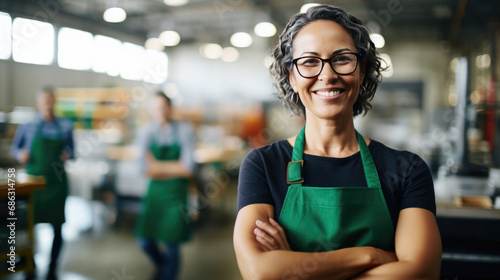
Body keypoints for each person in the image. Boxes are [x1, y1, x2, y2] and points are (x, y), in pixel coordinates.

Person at [233, 5, 442, 279]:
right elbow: (259, 271)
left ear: (361, 70)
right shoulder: (263, 165)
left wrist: (298, 266)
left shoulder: (407, 169)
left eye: (342, 59)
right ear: (292, 77)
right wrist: (371, 256)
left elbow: (421, 273)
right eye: (309, 61)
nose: (327, 74)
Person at [11, 86, 74, 280]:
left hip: (57, 184)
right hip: (33, 185)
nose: (48, 103)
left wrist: (68, 154)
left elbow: (73, 151)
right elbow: (16, 148)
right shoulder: (27, 126)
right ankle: (30, 267)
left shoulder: (65, 126)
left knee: (57, 227)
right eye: (44, 99)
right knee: (29, 226)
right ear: (38, 102)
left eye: (51, 99)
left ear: (55, 102)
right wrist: (20, 154)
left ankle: (52, 267)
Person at [134, 92, 196, 280]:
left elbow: (188, 169)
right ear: (152, 110)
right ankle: (163, 269)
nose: (160, 111)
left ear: (170, 108)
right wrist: (175, 167)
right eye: (156, 107)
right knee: (144, 242)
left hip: (176, 194)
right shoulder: (146, 132)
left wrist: (156, 165)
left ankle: (168, 276)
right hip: (155, 194)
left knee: (172, 242)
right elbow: (142, 168)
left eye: (163, 107)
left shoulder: (185, 130)